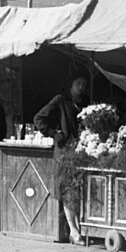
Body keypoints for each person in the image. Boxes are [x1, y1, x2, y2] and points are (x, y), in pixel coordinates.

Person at [33, 76, 91, 242]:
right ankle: (73, 231)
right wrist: (54, 133)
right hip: (64, 152)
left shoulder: (86, 103)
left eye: (84, 84)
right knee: (68, 190)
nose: (81, 86)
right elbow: (39, 119)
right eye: (78, 83)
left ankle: (80, 228)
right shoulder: (60, 101)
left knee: (80, 190)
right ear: (71, 85)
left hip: (82, 151)